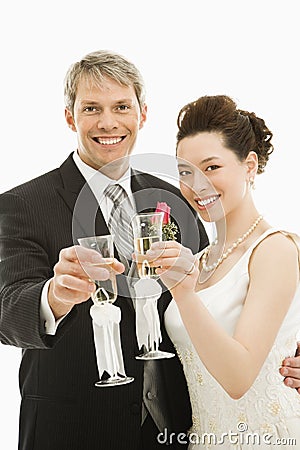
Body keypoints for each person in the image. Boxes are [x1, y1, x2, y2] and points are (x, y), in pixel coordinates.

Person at [0, 50, 209, 450]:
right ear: (69, 117)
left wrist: (280, 352)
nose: (108, 122)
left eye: (121, 107)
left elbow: (214, 291)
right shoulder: (21, 204)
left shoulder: (172, 199)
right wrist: (55, 296)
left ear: (142, 114)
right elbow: (7, 310)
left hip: (175, 426)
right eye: (92, 108)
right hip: (73, 429)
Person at [146, 95, 300, 449]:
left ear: (249, 166)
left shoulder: (274, 249)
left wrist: (183, 295)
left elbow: (238, 377)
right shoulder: (198, 260)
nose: (197, 185)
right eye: (186, 173)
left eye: (211, 167)